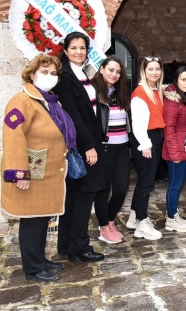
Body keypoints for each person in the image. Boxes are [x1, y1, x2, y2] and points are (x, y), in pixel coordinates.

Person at [0, 55, 71, 282]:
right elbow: (13, 137)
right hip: (31, 172)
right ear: (32, 74)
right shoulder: (22, 101)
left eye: (53, 74)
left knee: (42, 219)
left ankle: (40, 259)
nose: (49, 77)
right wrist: (19, 173)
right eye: (44, 72)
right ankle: (32, 268)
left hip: (47, 173)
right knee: (32, 221)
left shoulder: (49, 101)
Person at [53, 31, 105, 263]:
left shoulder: (78, 72)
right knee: (86, 193)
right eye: (74, 48)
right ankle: (80, 246)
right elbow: (73, 114)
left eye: (82, 48)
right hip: (82, 143)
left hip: (84, 141)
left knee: (74, 196)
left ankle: (66, 245)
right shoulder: (64, 76)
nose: (78, 52)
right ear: (65, 50)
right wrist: (89, 146)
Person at [91, 56, 131, 244]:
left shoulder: (120, 92)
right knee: (103, 190)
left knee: (121, 189)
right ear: (101, 69)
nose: (114, 74)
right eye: (110, 70)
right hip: (104, 148)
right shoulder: (93, 92)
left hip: (122, 148)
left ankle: (110, 219)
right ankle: (104, 226)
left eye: (118, 71)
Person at [125, 56, 166, 240]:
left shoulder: (156, 91)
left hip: (155, 137)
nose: (154, 72)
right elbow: (138, 123)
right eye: (151, 69)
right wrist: (145, 144)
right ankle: (142, 222)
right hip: (146, 138)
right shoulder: (140, 93)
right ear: (144, 71)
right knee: (146, 183)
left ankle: (134, 216)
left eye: (157, 69)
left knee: (145, 180)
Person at [162, 66, 186, 232]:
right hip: (176, 148)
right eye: (183, 79)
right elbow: (168, 128)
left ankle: (172, 212)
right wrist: (175, 153)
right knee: (175, 185)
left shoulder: (184, 98)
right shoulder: (172, 100)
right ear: (176, 80)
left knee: (179, 183)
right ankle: (171, 218)